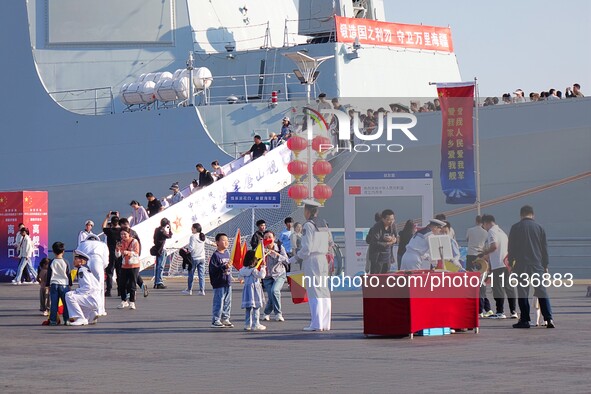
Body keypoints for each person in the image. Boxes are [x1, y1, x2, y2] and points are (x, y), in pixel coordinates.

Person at [508, 205, 555, 329]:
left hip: (521, 265)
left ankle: (524, 320)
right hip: (537, 265)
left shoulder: (515, 228)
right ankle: (549, 319)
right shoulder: (540, 228)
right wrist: (545, 265)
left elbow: (511, 248)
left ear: (521, 215)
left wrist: (511, 264)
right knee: (541, 291)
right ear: (532, 215)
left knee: (523, 292)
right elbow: (544, 249)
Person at [290, 200, 331, 331]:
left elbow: (307, 248)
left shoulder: (308, 225)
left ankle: (316, 323)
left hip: (312, 259)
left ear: (307, 211)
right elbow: (330, 242)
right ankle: (325, 323)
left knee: (314, 292)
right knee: (324, 291)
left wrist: (295, 258)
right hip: (323, 258)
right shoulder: (323, 223)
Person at [480, 214, 517, 319]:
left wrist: (484, 252)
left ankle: (500, 311)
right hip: (505, 263)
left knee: (497, 288)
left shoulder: (492, 231)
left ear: (486, 223)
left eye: (484, 226)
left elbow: (494, 246)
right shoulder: (502, 232)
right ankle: (513, 311)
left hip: (498, 265)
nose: (485, 228)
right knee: (509, 287)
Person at [465, 215, 493, 317]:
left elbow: (467, 239)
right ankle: (486, 308)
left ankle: (479, 309)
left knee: (472, 284)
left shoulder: (470, 230)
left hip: (471, 257)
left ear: (475, 221)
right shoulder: (486, 232)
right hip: (481, 257)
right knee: (481, 283)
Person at [65, 250, 101, 326]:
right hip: (94, 298)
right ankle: (91, 314)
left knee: (69, 295)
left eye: (75, 259)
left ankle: (80, 318)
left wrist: (75, 291)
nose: (73, 261)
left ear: (81, 261)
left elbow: (87, 287)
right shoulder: (85, 270)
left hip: (92, 299)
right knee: (78, 298)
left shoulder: (82, 271)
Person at [77, 234, 110, 316]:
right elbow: (106, 261)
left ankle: (87, 309)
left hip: (85, 262)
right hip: (98, 262)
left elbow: (77, 255)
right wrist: (102, 268)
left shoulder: (82, 243)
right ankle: (100, 310)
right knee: (99, 287)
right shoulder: (102, 244)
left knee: (85, 286)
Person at [261, 230, 289, 322]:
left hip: (279, 274)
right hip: (267, 276)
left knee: (275, 291)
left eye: (270, 237)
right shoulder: (261, 249)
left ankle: (278, 313)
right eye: (265, 238)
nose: (268, 239)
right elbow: (255, 261)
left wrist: (276, 255)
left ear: (274, 238)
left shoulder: (280, 248)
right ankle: (266, 313)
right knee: (271, 295)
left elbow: (286, 260)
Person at [119, 218, 148, 298]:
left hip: (132, 258)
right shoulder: (125, 233)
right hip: (126, 258)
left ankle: (131, 294)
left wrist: (136, 254)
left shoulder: (131, 233)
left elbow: (137, 244)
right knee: (134, 276)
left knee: (131, 277)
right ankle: (142, 286)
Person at [209, 233, 233, 328]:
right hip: (219, 283)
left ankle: (225, 318)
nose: (226, 242)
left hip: (227, 281)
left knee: (228, 301)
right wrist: (224, 267)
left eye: (227, 240)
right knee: (219, 301)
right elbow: (213, 269)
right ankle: (216, 320)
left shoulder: (227, 253)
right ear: (217, 242)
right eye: (223, 240)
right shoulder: (215, 255)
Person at [184, 223, 215, 296]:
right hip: (202, 258)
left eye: (192, 228)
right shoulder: (202, 236)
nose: (191, 229)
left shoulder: (193, 237)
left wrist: (186, 251)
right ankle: (202, 290)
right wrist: (217, 245)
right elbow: (210, 242)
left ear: (195, 229)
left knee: (191, 274)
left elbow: (191, 248)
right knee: (201, 275)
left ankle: (189, 289)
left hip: (194, 258)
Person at [239, 250, 267, 331]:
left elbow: (240, 277)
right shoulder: (253, 270)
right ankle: (256, 324)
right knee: (256, 307)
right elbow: (262, 275)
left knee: (248, 308)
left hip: (247, 290)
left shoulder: (243, 269)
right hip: (255, 289)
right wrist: (263, 268)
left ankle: (247, 324)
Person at [45, 242, 71, 326]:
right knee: (66, 303)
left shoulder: (52, 262)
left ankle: (53, 320)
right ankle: (66, 319)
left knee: (54, 303)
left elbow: (49, 274)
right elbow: (68, 274)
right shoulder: (65, 262)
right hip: (64, 284)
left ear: (53, 251)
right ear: (63, 251)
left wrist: (47, 285)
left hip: (54, 284)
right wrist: (70, 284)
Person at [366, 210, 397, 274]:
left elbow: (397, 238)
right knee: (376, 278)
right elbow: (374, 243)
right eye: (388, 219)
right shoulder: (377, 227)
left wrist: (393, 239)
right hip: (377, 257)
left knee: (386, 277)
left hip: (387, 256)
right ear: (383, 219)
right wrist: (387, 242)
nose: (391, 221)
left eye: (392, 219)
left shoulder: (393, 225)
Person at [116, 229, 140, 310]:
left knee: (132, 284)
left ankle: (132, 302)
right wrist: (117, 249)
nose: (123, 236)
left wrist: (128, 253)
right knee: (122, 284)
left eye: (124, 234)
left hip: (134, 265)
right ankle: (124, 301)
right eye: (121, 234)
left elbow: (136, 252)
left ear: (129, 234)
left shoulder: (134, 241)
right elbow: (118, 255)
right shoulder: (121, 242)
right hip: (124, 266)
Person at [101, 213, 121, 297]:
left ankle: (108, 290)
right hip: (119, 254)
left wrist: (107, 217)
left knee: (109, 272)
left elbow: (103, 226)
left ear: (111, 223)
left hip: (111, 254)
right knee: (119, 273)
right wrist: (118, 217)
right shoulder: (121, 231)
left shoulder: (109, 231)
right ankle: (120, 290)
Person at [153, 218, 173, 289]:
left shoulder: (157, 229)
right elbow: (169, 236)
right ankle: (159, 282)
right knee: (161, 266)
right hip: (161, 250)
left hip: (158, 249)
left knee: (158, 266)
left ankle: (156, 282)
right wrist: (170, 229)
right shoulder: (162, 231)